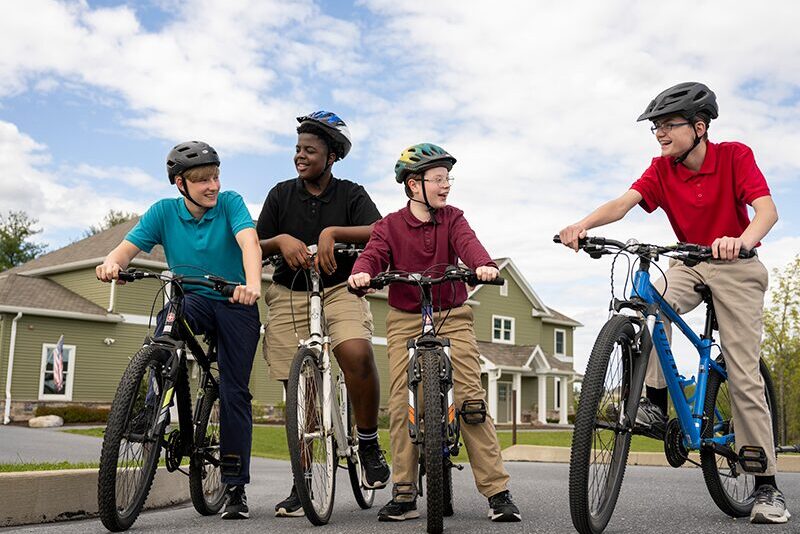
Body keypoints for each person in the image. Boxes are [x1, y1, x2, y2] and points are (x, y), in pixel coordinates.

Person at [558, 82, 788, 524]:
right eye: (656, 127)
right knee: (649, 300)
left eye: (669, 125)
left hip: (736, 265)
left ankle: (766, 487)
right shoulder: (661, 169)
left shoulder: (734, 156)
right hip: (689, 263)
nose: (660, 134)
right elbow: (624, 204)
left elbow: (766, 211)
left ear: (699, 127)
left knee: (742, 373)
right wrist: (581, 225)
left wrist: (740, 241)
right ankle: (656, 399)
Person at [349, 143, 521, 523]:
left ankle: (498, 492)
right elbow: (373, 254)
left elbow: (469, 244)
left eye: (448, 178)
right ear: (414, 185)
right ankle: (405, 493)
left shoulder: (453, 218)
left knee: (471, 401)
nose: (446, 186)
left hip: (452, 314)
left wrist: (483, 266)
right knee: (401, 404)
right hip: (404, 318)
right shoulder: (389, 225)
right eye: (438, 179)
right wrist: (362, 272)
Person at [96, 141, 262, 520]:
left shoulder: (231, 203)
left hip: (236, 301)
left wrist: (252, 284)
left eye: (216, 176)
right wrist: (110, 265)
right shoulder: (163, 212)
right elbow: (124, 250)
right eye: (202, 180)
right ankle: (153, 404)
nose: (213, 186)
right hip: (194, 298)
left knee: (234, 390)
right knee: (167, 324)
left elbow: (248, 241)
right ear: (179, 183)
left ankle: (235, 487)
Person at [257, 111, 390, 517]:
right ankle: (307, 477)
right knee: (299, 390)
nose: (300, 156)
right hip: (290, 292)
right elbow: (256, 245)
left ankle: (366, 442)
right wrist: (280, 240)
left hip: (341, 290)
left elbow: (380, 231)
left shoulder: (351, 194)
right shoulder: (281, 194)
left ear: (331, 156)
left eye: (309, 150)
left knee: (355, 354)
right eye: (297, 149)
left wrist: (331, 234)